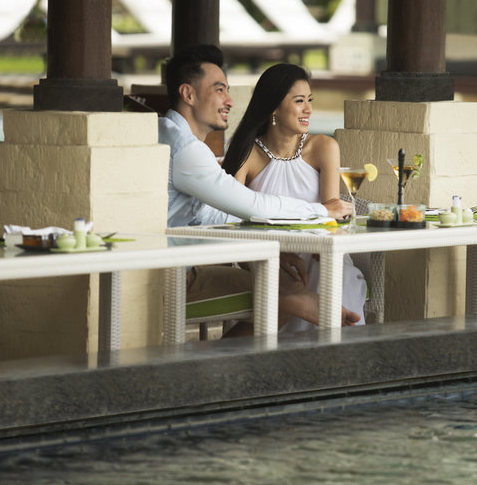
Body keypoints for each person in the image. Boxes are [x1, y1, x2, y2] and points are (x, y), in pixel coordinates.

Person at [157, 45, 358, 333]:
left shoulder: (168, 133)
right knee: (281, 292)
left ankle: (306, 312)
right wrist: (321, 211)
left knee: (285, 285)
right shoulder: (186, 149)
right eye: (220, 90)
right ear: (188, 94)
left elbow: (215, 216)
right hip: (169, 275)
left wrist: (268, 249)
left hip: (173, 264)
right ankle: (309, 316)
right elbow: (252, 206)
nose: (230, 101)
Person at [222, 63, 367, 332]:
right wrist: (269, 257)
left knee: (328, 271)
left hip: (319, 254)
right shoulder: (247, 154)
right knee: (283, 278)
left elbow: (331, 215)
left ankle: (333, 348)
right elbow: (229, 222)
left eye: (310, 100)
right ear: (274, 107)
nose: (308, 109)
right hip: (267, 256)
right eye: (299, 101)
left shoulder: (324, 147)